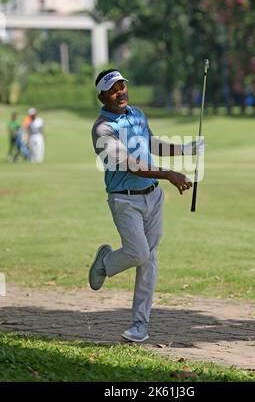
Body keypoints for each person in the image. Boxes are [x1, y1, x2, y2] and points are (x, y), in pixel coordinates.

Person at [89, 69, 203, 343]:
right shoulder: (102, 130)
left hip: (153, 196)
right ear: (102, 96)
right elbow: (131, 164)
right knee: (139, 253)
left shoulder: (137, 114)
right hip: (124, 199)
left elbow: (151, 144)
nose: (120, 92)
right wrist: (170, 174)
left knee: (149, 258)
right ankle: (105, 261)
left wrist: (185, 149)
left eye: (122, 86)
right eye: (113, 89)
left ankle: (140, 324)